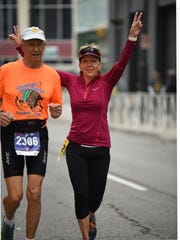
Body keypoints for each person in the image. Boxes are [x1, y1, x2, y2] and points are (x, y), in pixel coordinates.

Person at [10, 12, 143, 240]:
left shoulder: (107, 82)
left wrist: (131, 38)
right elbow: (44, 70)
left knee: (95, 199)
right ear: (80, 64)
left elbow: (123, 62)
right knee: (81, 194)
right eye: (85, 61)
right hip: (76, 148)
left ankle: (91, 215)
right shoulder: (71, 81)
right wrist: (21, 48)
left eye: (93, 61)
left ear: (99, 64)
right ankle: (85, 236)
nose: (89, 64)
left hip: (101, 148)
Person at [0, 26, 62, 240]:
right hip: (11, 132)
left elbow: (56, 109)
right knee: (15, 197)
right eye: (31, 43)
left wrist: (56, 111)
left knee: (34, 194)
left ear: (44, 47)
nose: (35, 48)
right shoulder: (6, 70)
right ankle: (8, 219)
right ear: (22, 46)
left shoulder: (52, 75)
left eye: (39, 44)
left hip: (38, 133)